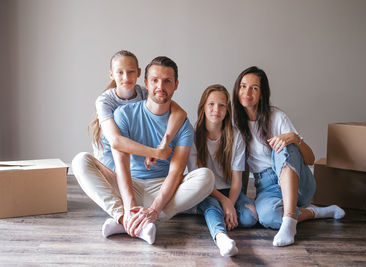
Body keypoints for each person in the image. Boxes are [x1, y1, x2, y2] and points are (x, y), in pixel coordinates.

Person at [74, 56, 214, 245]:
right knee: (81, 161)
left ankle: (145, 218)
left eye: (167, 81)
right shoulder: (123, 114)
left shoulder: (182, 125)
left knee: (206, 176)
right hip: (128, 184)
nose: (160, 86)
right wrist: (130, 204)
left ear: (176, 85)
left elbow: (176, 172)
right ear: (146, 83)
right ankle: (125, 218)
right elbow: (121, 165)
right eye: (155, 80)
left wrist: (154, 209)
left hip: (161, 187)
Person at [232, 66, 345, 247]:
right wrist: (242, 198)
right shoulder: (236, 125)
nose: (247, 92)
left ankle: (290, 219)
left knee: (285, 144)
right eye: (243, 86)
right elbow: (242, 167)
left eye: (254, 88)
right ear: (237, 90)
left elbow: (310, 159)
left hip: (299, 183)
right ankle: (313, 213)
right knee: (267, 217)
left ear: (262, 94)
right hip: (267, 187)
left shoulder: (277, 117)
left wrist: (294, 138)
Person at [187, 84, 258, 257]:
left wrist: (230, 204)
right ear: (203, 107)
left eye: (221, 105)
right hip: (206, 190)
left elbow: (237, 180)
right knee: (212, 207)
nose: (216, 110)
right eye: (211, 104)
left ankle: (212, 213)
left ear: (227, 110)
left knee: (250, 217)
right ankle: (222, 239)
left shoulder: (236, 136)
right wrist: (224, 202)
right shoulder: (193, 137)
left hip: (230, 190)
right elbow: (198, 180)